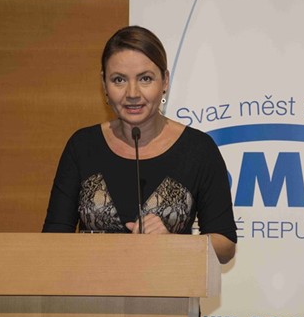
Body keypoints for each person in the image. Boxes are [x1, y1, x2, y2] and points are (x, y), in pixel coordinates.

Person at [42, 25, 236, 264]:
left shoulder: (199, 149)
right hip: (91, 285)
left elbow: (225, 246)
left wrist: (173, 243)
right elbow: (52, 239)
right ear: (104, 84)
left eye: (145, 79)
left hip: (169, 285)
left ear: (165, 81)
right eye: (119, 80)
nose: (132, 93)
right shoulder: (82, 146)